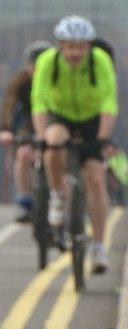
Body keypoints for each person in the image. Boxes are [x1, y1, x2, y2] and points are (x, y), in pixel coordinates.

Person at [32, 15, 119, 274]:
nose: (75, 52)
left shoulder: (100, 62)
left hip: (92, 118)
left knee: (95, 176)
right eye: (70, 46)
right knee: (54, 142)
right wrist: (41, 135)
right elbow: (39, 101)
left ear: (89, 46)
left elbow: (108, 102)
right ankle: (58, 195)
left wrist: (103, 138)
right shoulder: (47, 62)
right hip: (62, 116)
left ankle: (99, 247)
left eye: (81, 47)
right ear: (60, 46)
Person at [0, 41, 52, 223]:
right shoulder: (20, 82)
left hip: (55, 123)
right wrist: (6, 130)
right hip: (30, 123)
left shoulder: (60, 78)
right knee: (23, 154)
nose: (36, 69)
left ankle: (65, 205)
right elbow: (9, 105)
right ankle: (25, 200)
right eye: (33, 64)